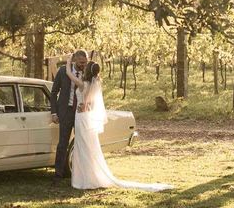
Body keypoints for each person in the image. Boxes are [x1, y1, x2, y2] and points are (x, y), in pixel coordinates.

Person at [66, 58, 172, 191]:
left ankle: (84, 179)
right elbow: (90, 101)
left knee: (82, 147)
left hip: (81, 116)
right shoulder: (96, 82)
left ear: (87, 71)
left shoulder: (83, 84)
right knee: (89, 147)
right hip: (88, 117)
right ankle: (89, 177)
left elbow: (69, 75)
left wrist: (69, 63)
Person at [50, 49, 87, 183]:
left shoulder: (87, 73)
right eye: (81, 62)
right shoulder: (62, 71)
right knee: (63, 143)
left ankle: (77, 172)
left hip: (81, 114)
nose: (83, 65)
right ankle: (58, 174)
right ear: (75, 60)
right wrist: (54, 112)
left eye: (85, 62)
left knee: (80, 143)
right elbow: (54, 92)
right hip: (65, 112)